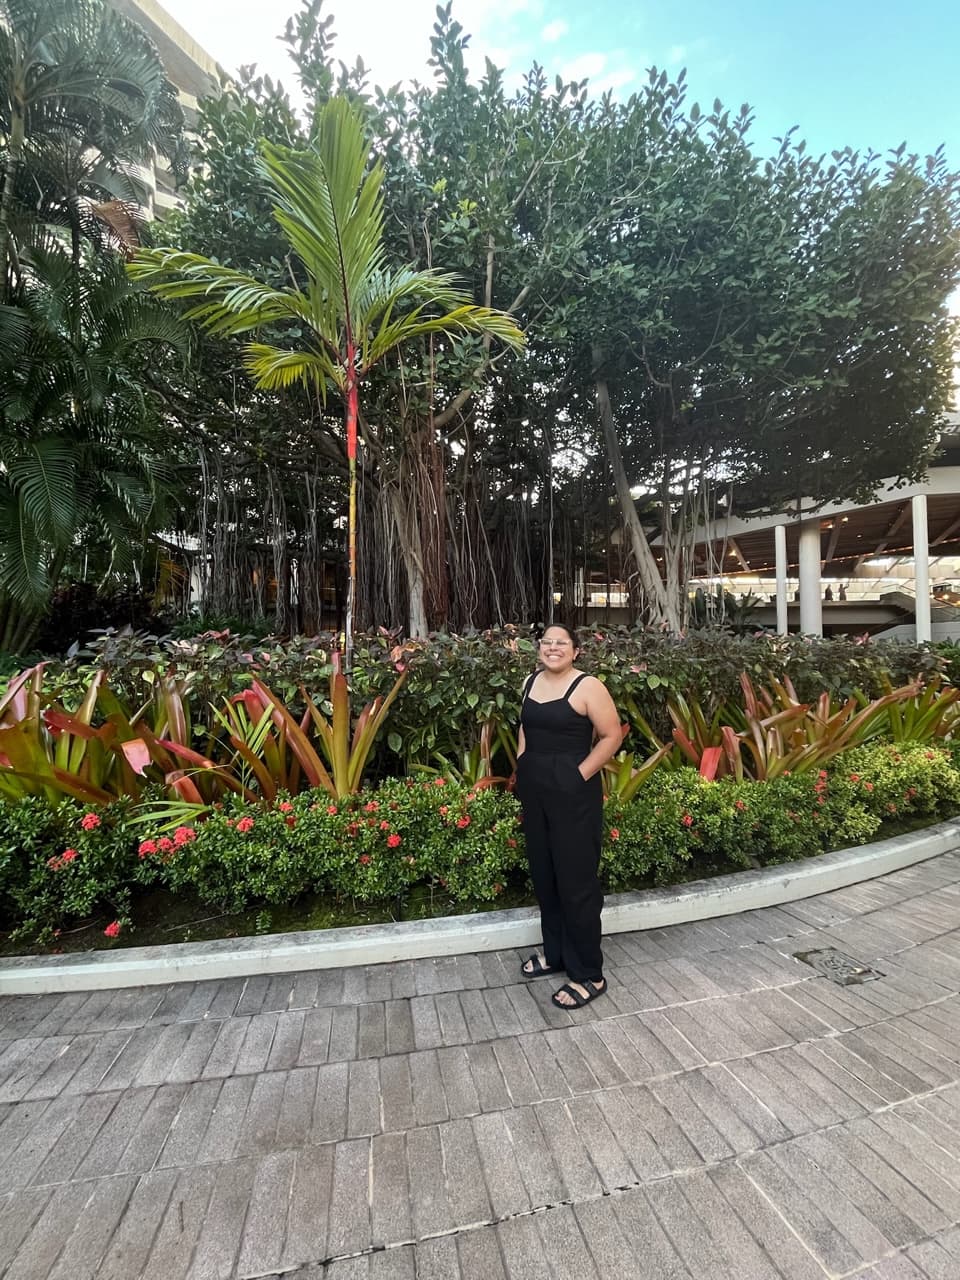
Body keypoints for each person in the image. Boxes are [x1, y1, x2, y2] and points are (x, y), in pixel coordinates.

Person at [514, 623, 623, 1009]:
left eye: (562, 643)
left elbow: (612, 736)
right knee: (546, 877)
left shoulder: (588, 686)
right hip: (535, 791)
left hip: (573, 794)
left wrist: (579, 775)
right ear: (539, 648)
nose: (553, 647)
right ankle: (556, 953)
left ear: (575, 651)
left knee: (576, 883)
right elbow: (526, 729)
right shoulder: (530, 682)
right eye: (547, 642)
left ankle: (588, 973)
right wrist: (522, 763)